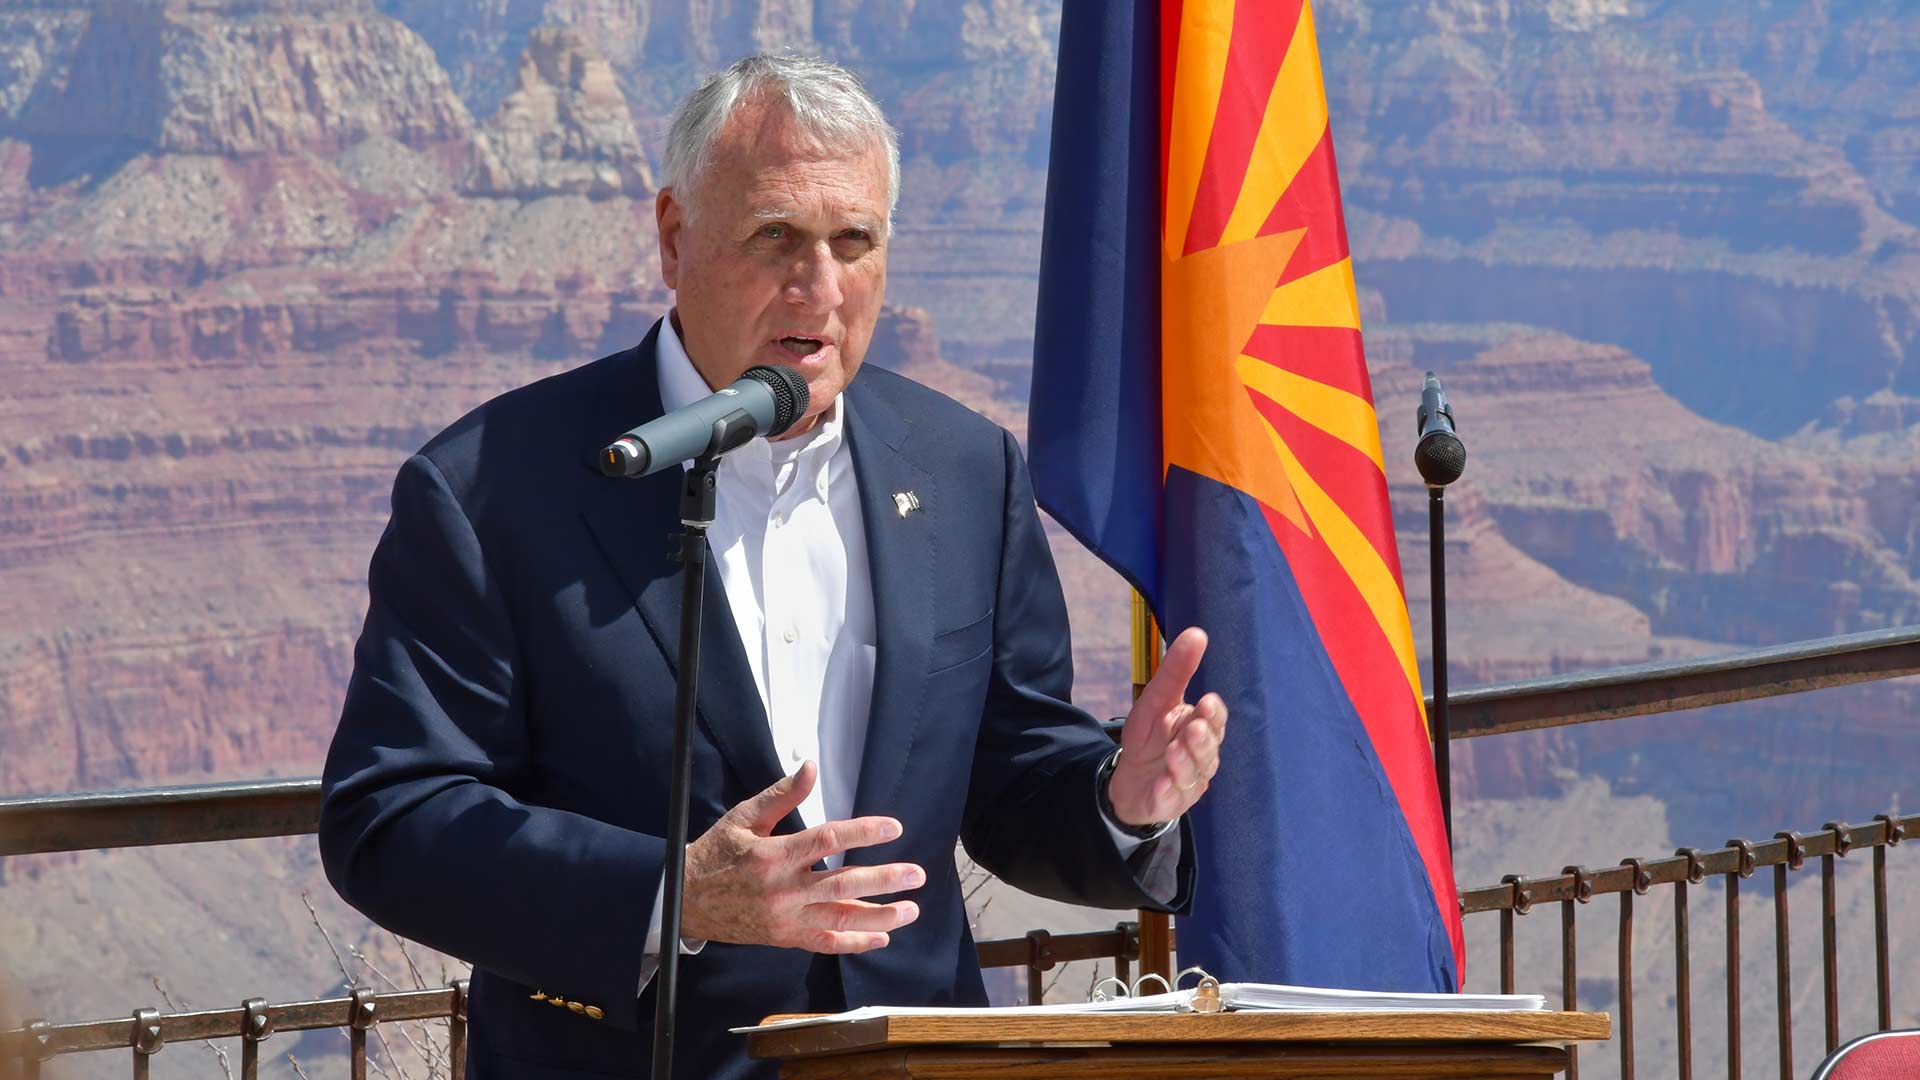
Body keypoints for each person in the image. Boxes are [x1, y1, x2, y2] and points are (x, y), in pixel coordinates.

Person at [318, 54, 1229, 1080]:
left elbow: (1012, 778)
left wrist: (1119, 800)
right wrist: (673, 893)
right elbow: (389, 819)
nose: (822, 288)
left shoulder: (968, 470)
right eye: (777, 238)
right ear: (674, 237)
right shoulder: (493, 488)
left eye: (855, 241)